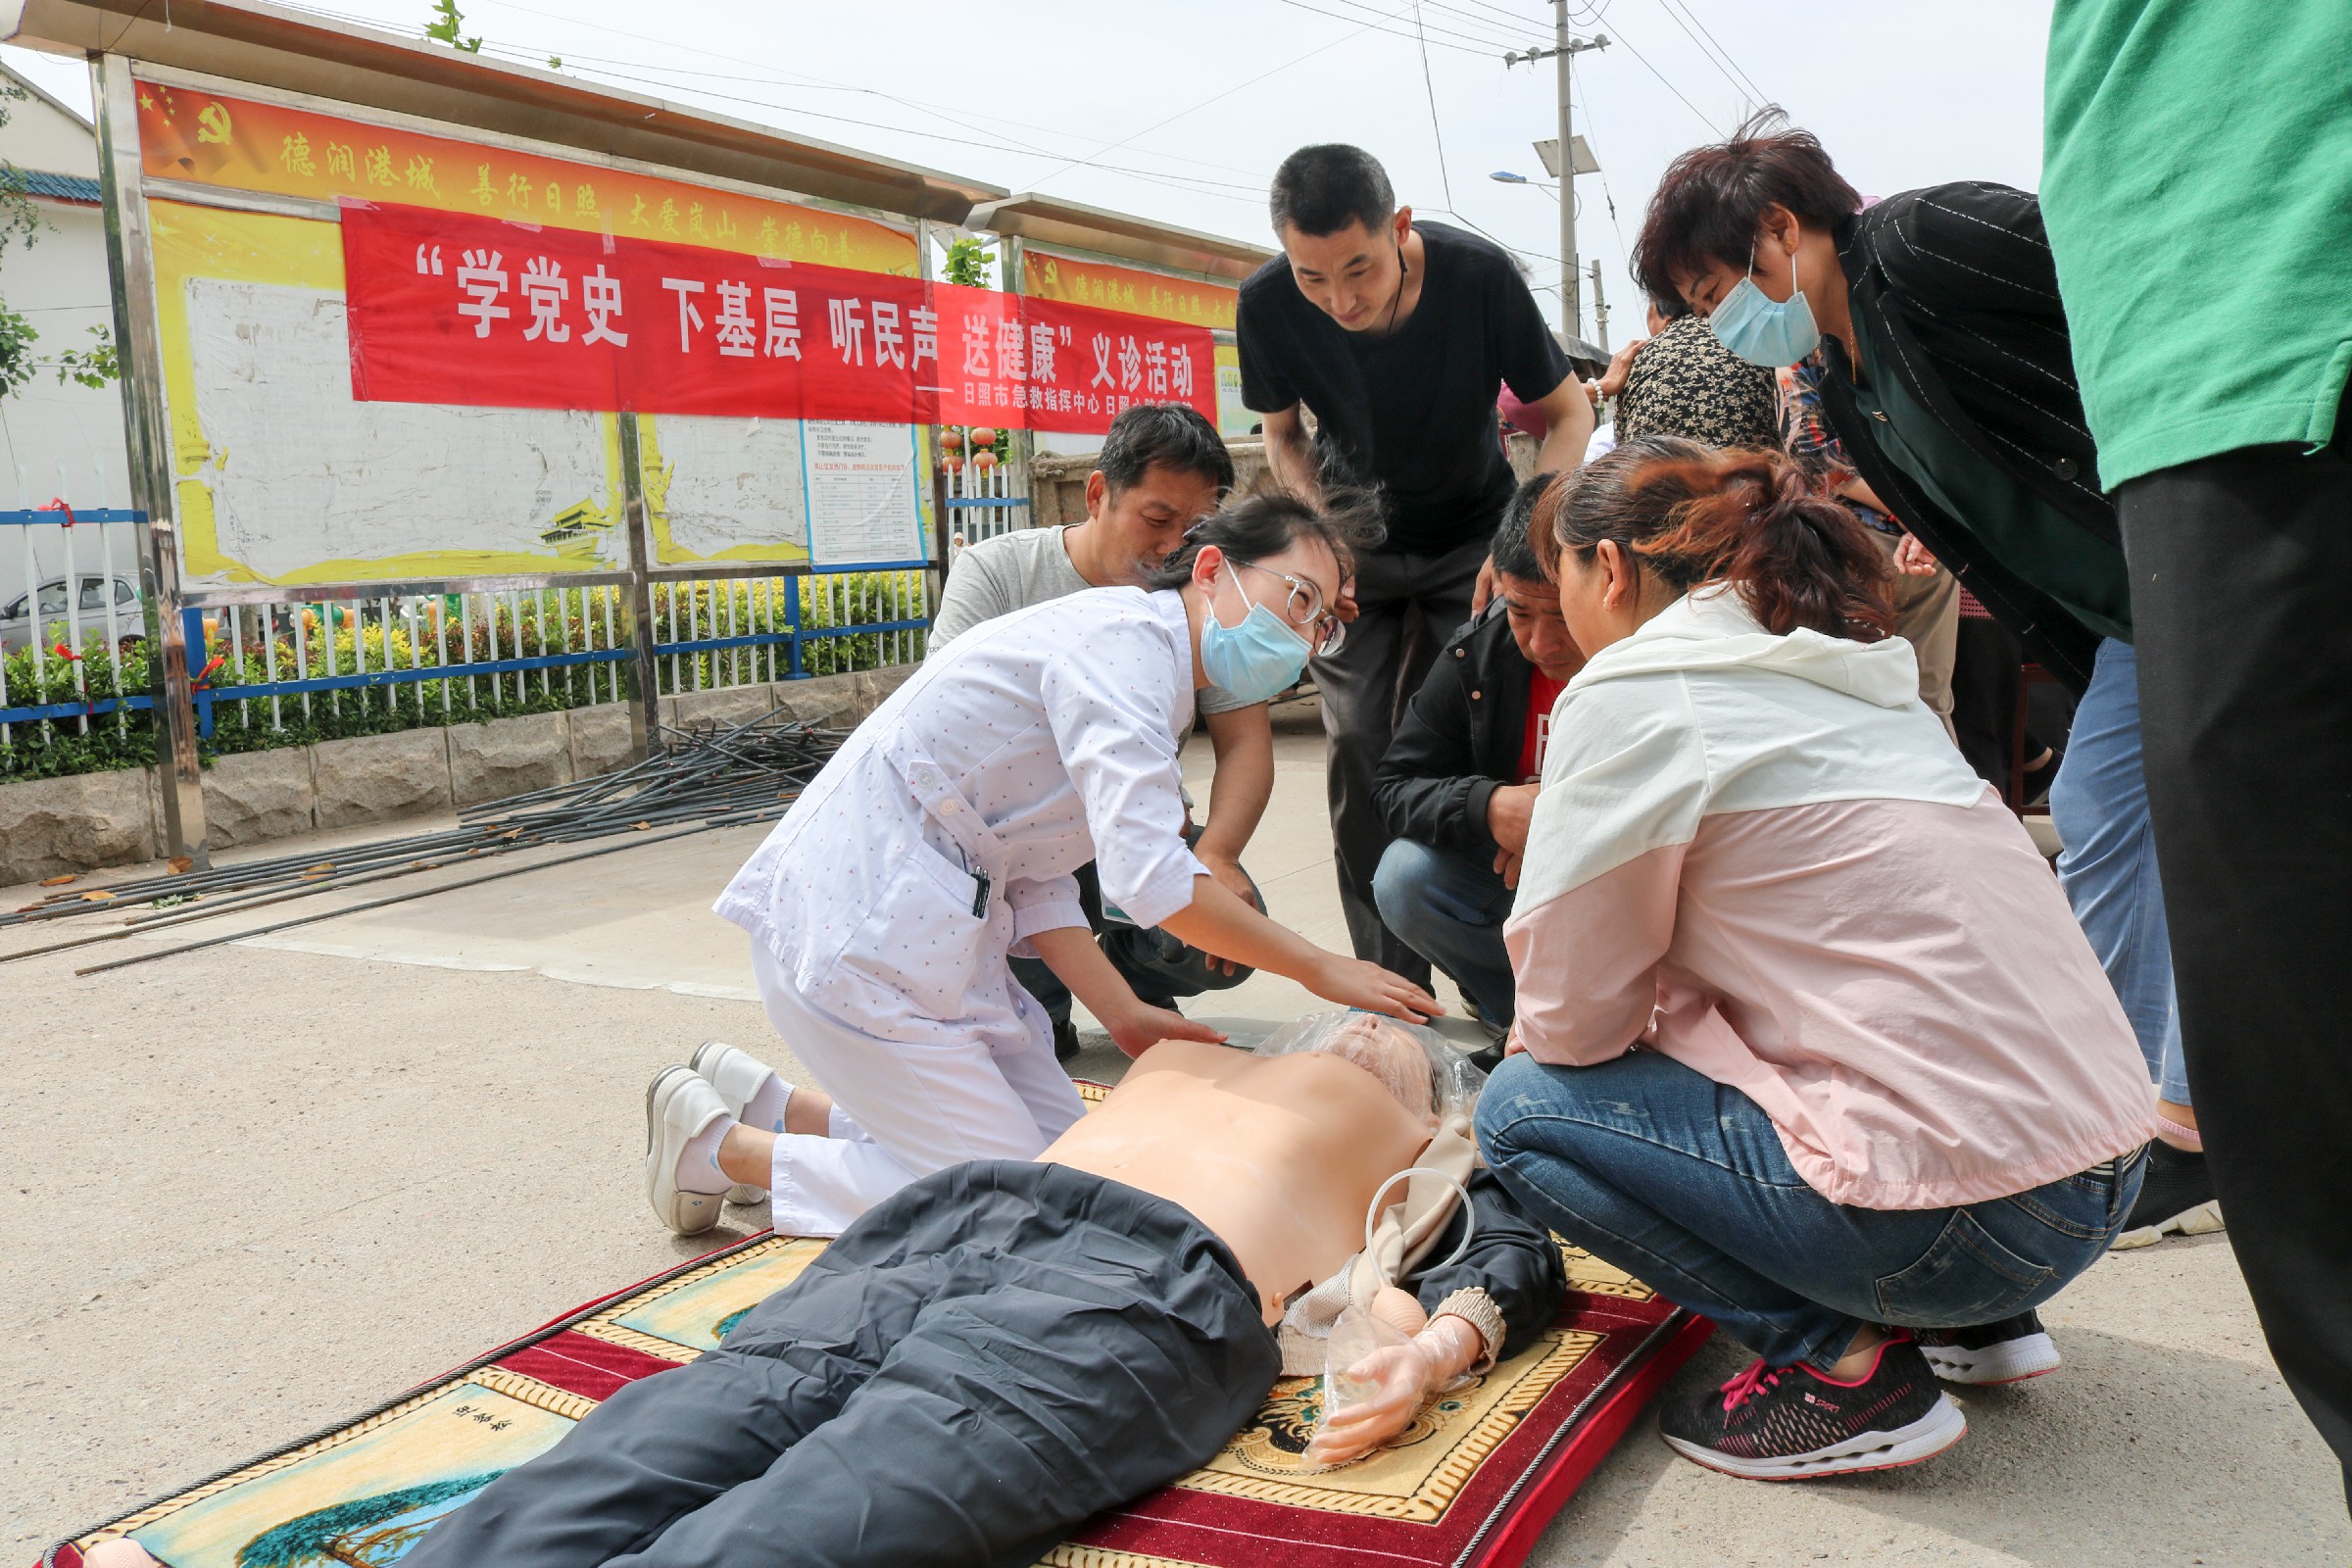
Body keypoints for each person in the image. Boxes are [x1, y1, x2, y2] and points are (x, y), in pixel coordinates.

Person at [145, 1019, 1554, 1568]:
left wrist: (1431, 1345)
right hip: (938, 1237)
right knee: (651, 1445)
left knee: (814, 1523)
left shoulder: (1448, 1141)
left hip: (1144, 1286)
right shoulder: (1197, 1051)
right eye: (1366, 1012)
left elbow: (1519, 1257)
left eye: (1408, 1036)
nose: (1380, 1024)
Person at [1478, 441, 2154, 1482]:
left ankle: (1835, 1367)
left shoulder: (1635, 691)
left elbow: (1571, 1020)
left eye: (1558, 579)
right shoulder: (1845, 669)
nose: (1558, 621)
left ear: (1607, 568)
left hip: (1973, 1226)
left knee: (1520, 1108)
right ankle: (1981, 1326)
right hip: (2101, 1170)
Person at [1628, 115, 2211, 1251]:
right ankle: (2144, 1112)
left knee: (2221, 835)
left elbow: (2120, 275)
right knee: (2107, 815)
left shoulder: (1923, 242)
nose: (1722, 327)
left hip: (2199, 555)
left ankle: (2188, 1120)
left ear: (1782, 229)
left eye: (1715, 294)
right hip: (2127, 612)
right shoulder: (1843, 384)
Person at [699, 492, 1441, 1240]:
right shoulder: (1126, 654)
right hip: (859, 935)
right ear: (1212, 569)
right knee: (1023, 1212)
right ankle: (722, 1151)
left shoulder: (1150, 672)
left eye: (1324, 625)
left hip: (931, 935)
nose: (1305, 637)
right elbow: (1152, 882)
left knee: (1073, 1166)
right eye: (1301, 599)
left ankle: (773, 1105)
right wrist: (1316, 968)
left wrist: (1119, 1011)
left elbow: (1040, 872)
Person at [2041, 0, 2352, 1491]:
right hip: (2187, 372)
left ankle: (2157, 1102)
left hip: (2275, 310)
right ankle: (2158, 1096)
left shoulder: (1917, 269)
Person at [1238, 143, 1595, 983]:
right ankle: (1390, 990)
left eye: (1358, 269)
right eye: (1312, 278)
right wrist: (1321, 534)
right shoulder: (1267, 303)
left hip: (1473, 537)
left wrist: (1519, 536)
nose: (1340, 299)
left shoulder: (1478, 276)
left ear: (1399, 227)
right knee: (1361, 747)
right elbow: (1283, 435)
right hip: (1351, 550)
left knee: (1472, 739)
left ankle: (1489, 961)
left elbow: (1568, 416)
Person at [930, 404, 1264, 1058]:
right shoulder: (998, 574)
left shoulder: (1195, 597)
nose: (1173, 547)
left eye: (1195, 530)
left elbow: (1247, 738)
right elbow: (947, 736)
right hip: (1011, 837)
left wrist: (1216, 854)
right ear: (1097, 495)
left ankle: (1135, 975)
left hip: (1131, 832)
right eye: (1158, 519)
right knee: (1033, 1048)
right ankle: (1036, 1005)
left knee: (1229, 940)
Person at [1371, 473, 1585, 1040]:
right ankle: (1519, 1015)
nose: (1541, 643)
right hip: (1510, 869)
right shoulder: (1477, 652)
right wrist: (1491, 808)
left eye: (1562, 615)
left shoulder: (1656, 654)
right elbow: (1393, 786)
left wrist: (1560, 827)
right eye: (1520, 613)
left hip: (1622, 870)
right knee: (1405, 878)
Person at [1780, 352, 1960, 724]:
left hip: (1854, 542)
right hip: (1930, 537)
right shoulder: (1900, 329)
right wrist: (1922, 517)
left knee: (1856, 704)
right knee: (1929, 700)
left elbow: (1812, 454)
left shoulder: (1797, 349)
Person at [1610, 303, 1781, 453]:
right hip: (1750, 482)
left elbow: (1623, 448)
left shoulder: (1636, 359)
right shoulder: (1753, 344)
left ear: (1655, 311)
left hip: (1659, 486)